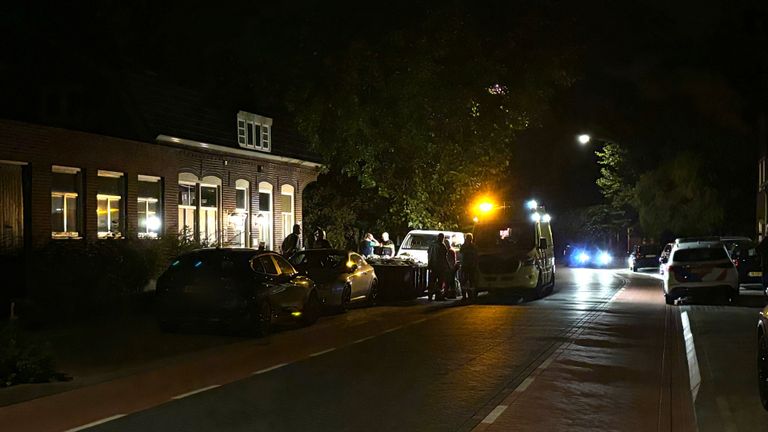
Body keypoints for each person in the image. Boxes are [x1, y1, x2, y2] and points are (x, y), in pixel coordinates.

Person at [427, 233, 450, 301]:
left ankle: (430, 296)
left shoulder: (431, 245)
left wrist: (429, 264)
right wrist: (448, 266)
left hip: (432, 266)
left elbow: (428, 254)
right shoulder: (442, 246)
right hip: (440, 267)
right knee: (440, 282)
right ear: (442, 238)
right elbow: (444, 257)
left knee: (432, 282)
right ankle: (438, 296)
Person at [459, 233, 479, 301]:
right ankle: (470, 296)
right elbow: (476, 257)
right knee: (471, 281)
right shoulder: (474, 247)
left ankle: (465, 296)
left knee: (464, 281)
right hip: (471, 266)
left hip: (465, 266)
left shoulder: (463, 247)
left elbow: (461, 255)